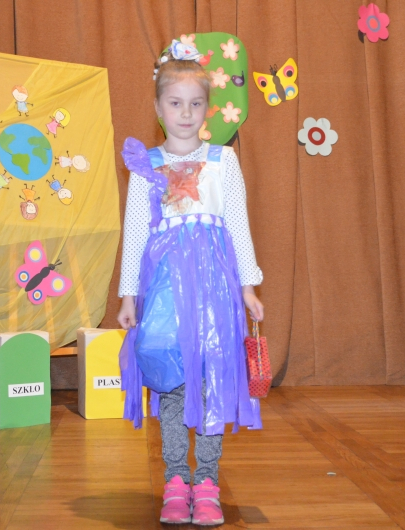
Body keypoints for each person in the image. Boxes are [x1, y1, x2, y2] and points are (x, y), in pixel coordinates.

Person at [117, 39, 264, 526]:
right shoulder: (146, 165)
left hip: (215, 290)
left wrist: (248, 286)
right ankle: (176, 481)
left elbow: (238, 225)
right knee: (173, 382)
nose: (185, 113)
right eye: (175, 103)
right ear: (158, 108)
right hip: (165, 294)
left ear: (207, 109)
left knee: (212, 380)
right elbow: (135, 233)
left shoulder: (223, 161)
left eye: (195, 103)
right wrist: (129, 296)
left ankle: (207, 483)